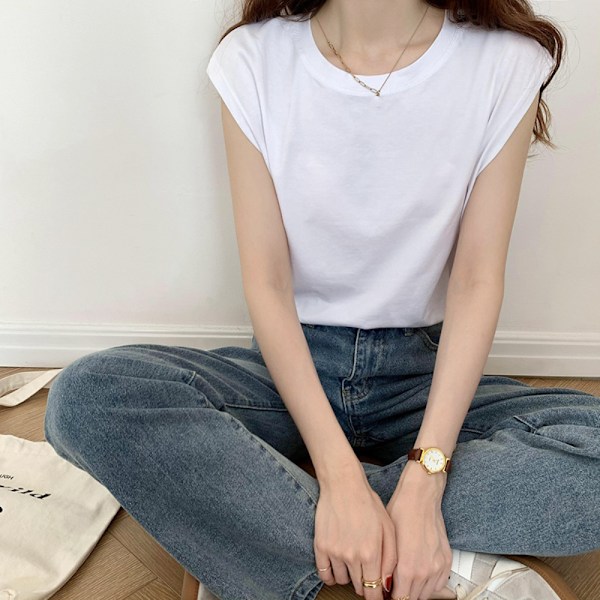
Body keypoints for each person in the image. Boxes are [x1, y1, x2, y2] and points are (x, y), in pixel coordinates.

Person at [44, 1, 600, 600]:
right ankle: (402, 552)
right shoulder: (253, 59)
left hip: (423, 377)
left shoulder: (504, 63)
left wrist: (426, 478)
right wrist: (337, 479)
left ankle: (262, 532)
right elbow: (268, 284)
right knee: (87, 397)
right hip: (289, 370)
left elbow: (475, 282)